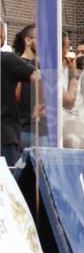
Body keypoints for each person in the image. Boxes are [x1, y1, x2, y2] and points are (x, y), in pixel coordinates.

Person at [1, 19, 39, 169]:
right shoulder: (6, 60)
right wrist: (41, 102)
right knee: (12, 186)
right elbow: (39, 77)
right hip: (5, 136)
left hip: (7, 134)